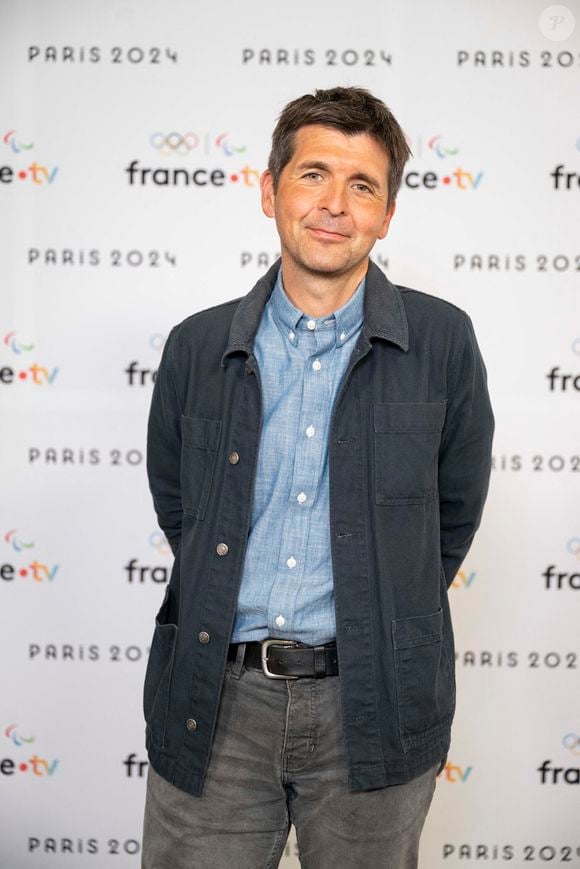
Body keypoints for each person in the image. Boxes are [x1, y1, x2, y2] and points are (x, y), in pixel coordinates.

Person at [141, 86, 495, 869]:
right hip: (215, 700)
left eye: (362, 184)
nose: (335, 203)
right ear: (270, 190)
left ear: (388, 213)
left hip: (374, 701)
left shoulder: (442, 341)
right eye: (314, 175)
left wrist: (381, 599)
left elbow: (452, 511)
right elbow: (183, 508)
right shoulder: (197, 347)